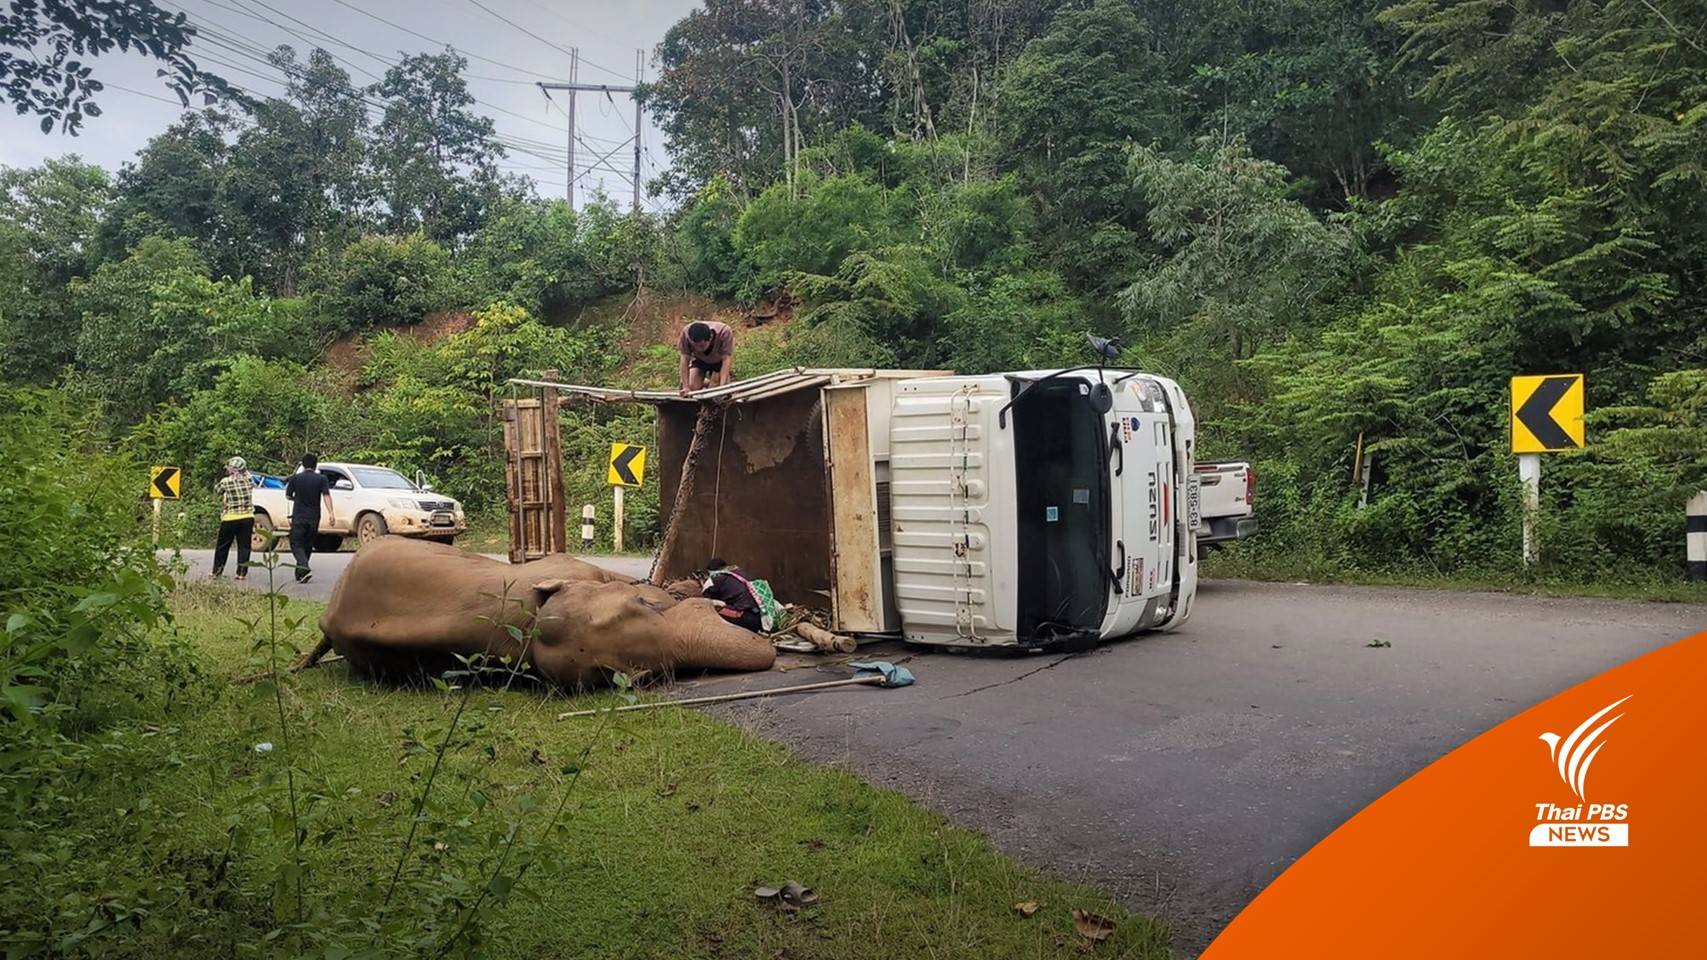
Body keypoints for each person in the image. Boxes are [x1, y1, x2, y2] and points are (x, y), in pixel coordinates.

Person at [283, 453, 335, 583]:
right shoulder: (322, 479)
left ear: (303, 465)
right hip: (314, 516)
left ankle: (304, 567)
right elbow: (326, 495)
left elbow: (288, 496)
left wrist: (297, 498)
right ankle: (300, 574)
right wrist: (331, 513)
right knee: (308, 544)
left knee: (296, 543)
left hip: (299, 516)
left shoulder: (295, 478)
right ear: (315, 465)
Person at [211, 456, 255, 580]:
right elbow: (247, 475)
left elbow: (217, 490)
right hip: (247, 517)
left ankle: (217, 571)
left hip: (230, 518)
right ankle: (241, 573)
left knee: (223, 546)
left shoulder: (226, 481)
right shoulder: (249, 479)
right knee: (244, 546)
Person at [701, 558, 768, 632]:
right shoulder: (739, 572)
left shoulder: (715, 578)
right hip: (761, 618)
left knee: (707, 609)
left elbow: (705, 598)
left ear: (711, 571)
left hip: (746, 617)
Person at [678, 320, 735, 395]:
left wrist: (722, 386)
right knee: (692, 387)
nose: (698, 349)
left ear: (710, 338)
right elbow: (684, 359)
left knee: (715, 391)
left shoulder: (724, 332)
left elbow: (726, 359)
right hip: (699, 360)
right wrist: (686, 387)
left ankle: (716, 382)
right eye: (695, 346)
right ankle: (706, 382)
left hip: (719, 361)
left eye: (702, 346)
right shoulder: (685, 334)